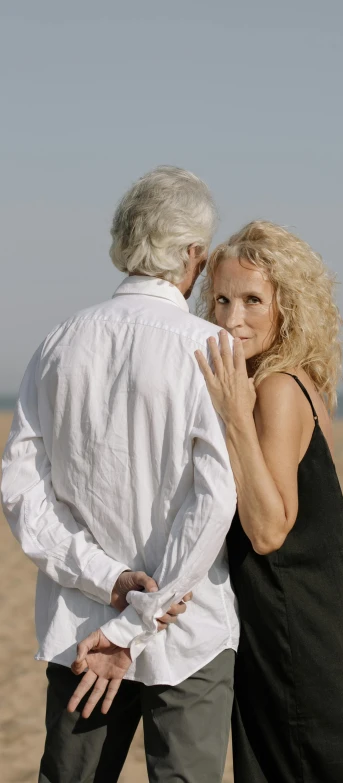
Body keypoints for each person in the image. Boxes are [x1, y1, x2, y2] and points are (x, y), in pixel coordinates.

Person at [1, 166, 239, 783]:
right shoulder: (209, 347)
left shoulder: (57, 342)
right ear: (193, 254)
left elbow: (21, 489)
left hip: (82, 626)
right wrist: (141, 614)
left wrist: (110, 584)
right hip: (188, 632)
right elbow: (214, 504)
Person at [195, 220, 343, 782]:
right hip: (304, 625)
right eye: (222, 300)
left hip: (295, 636)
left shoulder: (278, 389)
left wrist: (235, 415)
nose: (232, 319)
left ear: (289, 305)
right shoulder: (296, 379)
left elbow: (268, 530)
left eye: (253, 300)